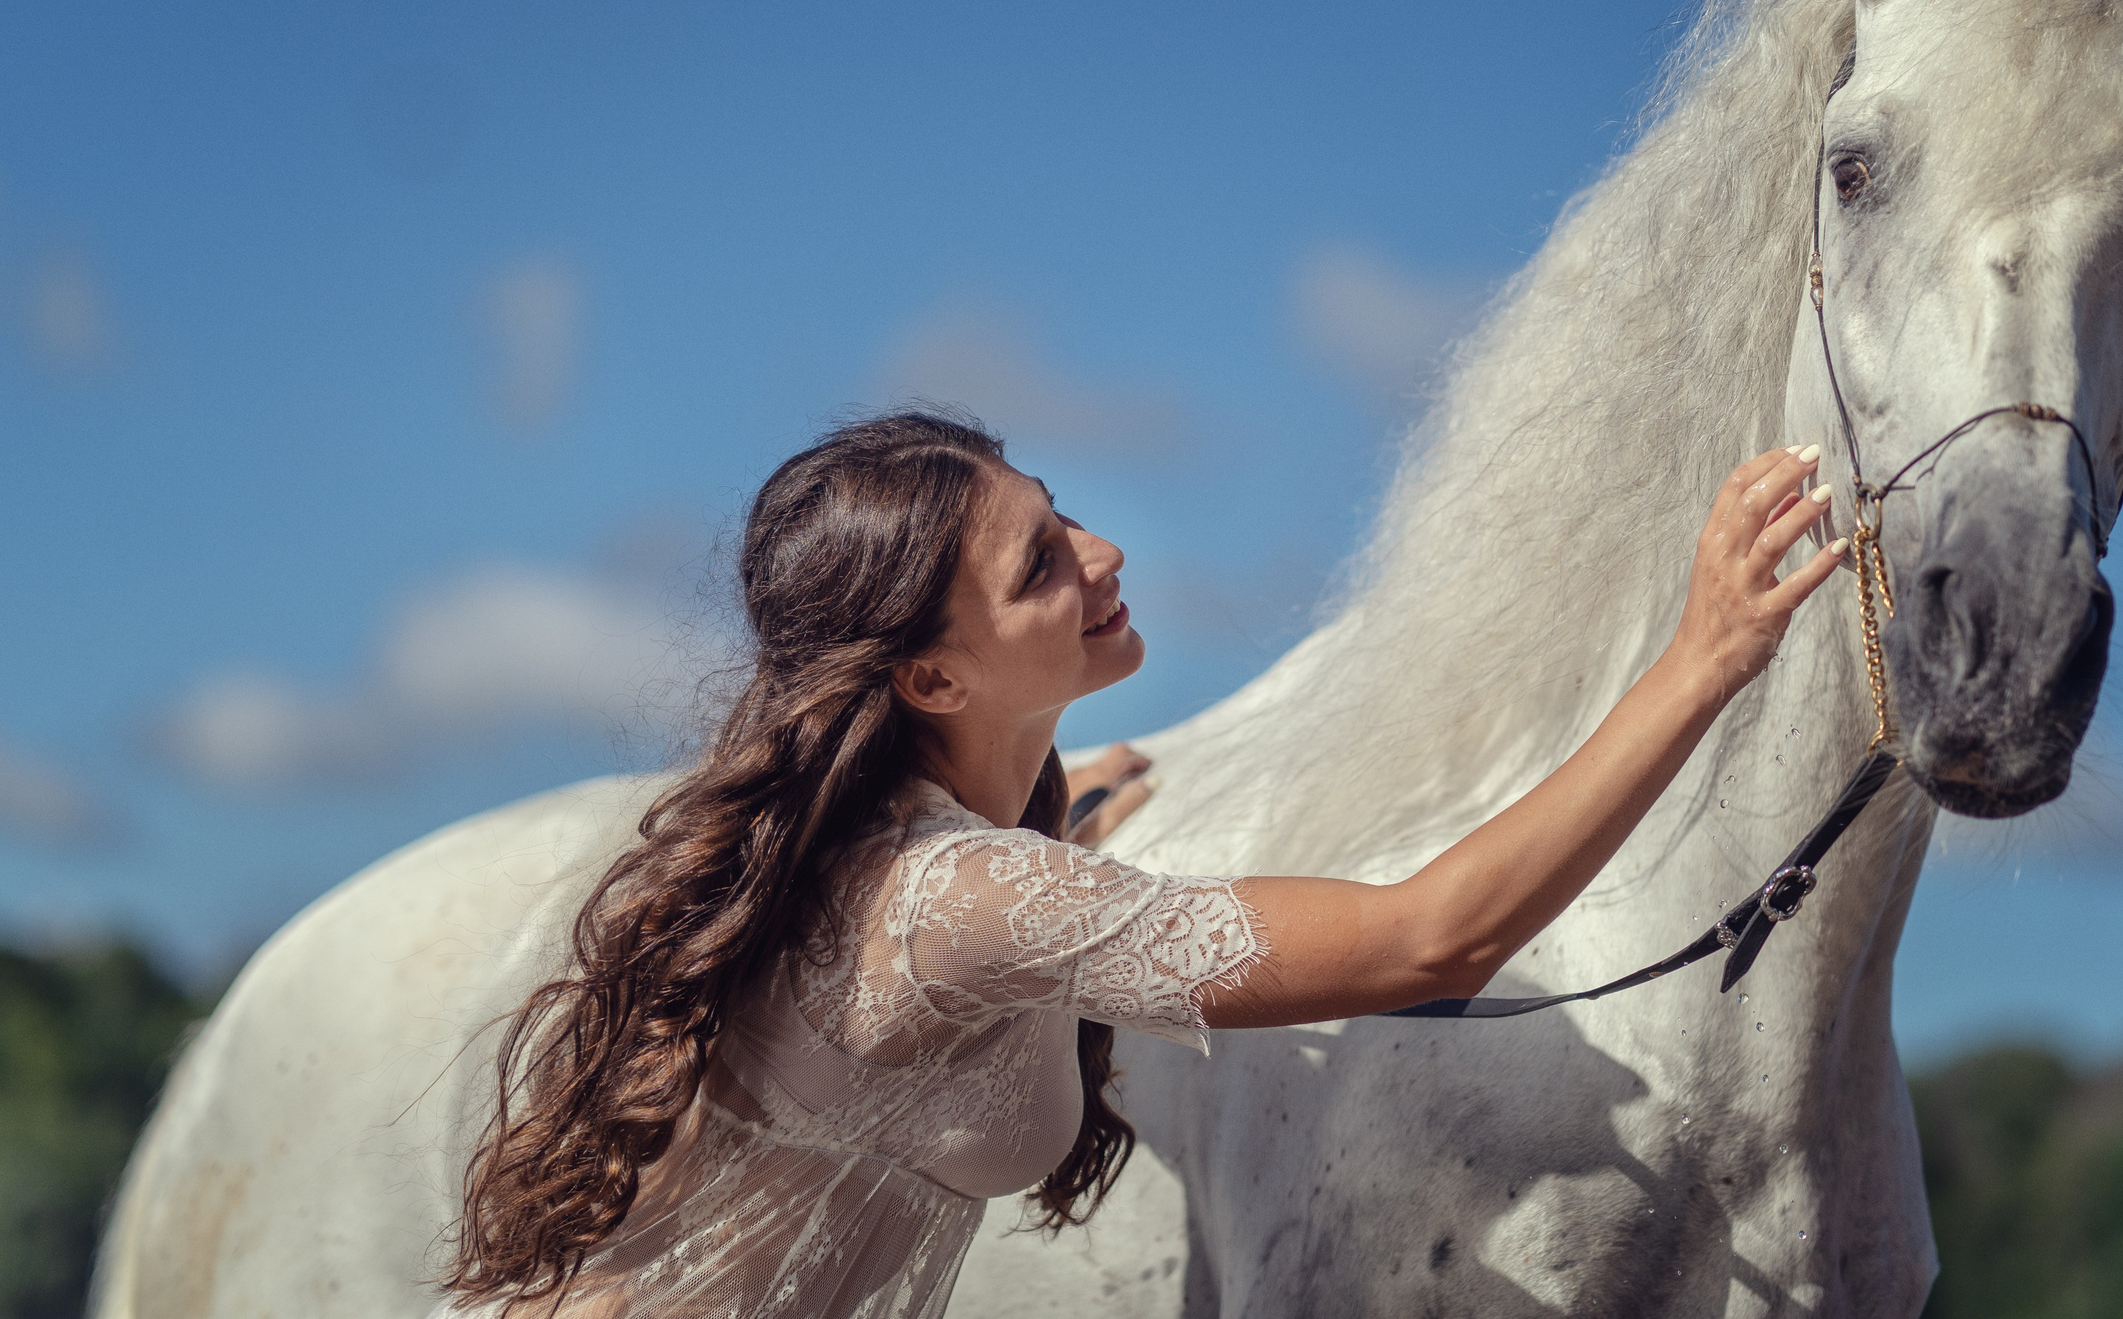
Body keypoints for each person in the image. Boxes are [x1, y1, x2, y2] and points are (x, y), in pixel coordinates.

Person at [441, 409, 1842, 1318]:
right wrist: (1704, 656)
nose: (1103, 552)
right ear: (931, 677)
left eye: (1060, 513)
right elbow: (1432, 940)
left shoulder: (957, 863)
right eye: (1039, 565)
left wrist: (1061, 827)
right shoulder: (961, 897)